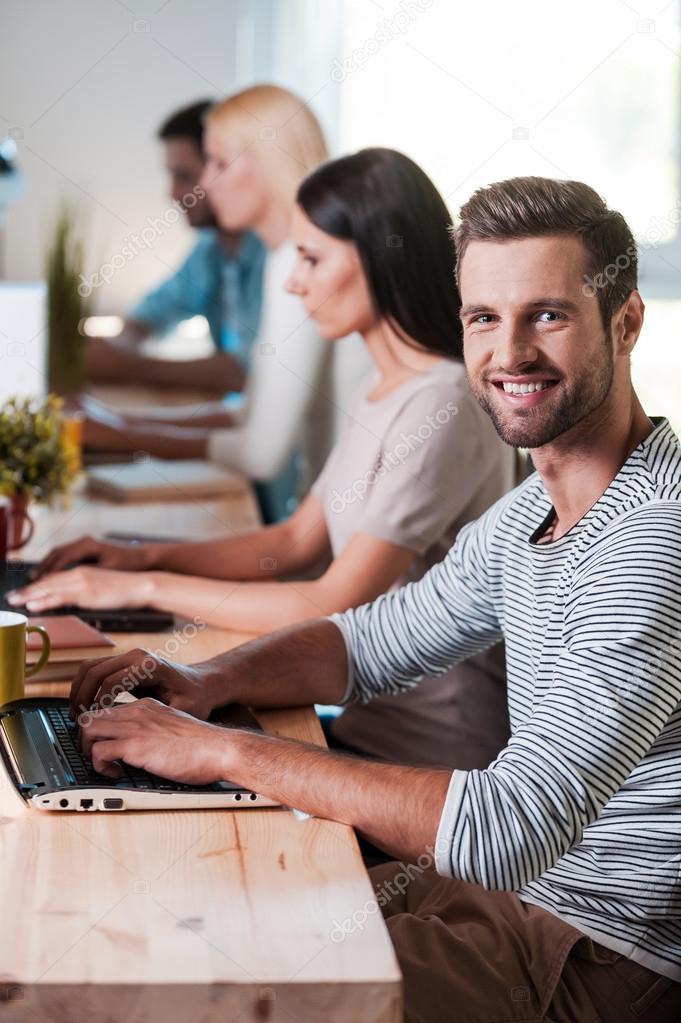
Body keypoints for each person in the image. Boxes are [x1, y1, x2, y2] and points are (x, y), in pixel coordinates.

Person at [58, 175, 681, 1021]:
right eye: (483, 319)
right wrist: (205, 679)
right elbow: (367, 640)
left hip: (595, 954)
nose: (509, 354)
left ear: (626, 321)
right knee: (178, 918)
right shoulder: (534, 505)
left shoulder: (649, 542)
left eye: (547, 314)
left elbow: (507, 826)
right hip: (518, 899)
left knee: (203, 986)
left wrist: (223, 751)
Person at [12, 149, 516, 770]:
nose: (291, 281)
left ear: (379, 258)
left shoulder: (443, 405)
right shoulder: (384, 385)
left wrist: (138, 586)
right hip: (361, 723)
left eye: (311, 258)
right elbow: (297, 539)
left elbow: (332, 598)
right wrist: (141, 554)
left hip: (426, 761)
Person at [79, 84, 371, 522]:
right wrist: (124, 425)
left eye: (219, 163)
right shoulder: (285, 256)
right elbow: (249, 409)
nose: (205, 183)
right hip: (320, 521)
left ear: (267, 164)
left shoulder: (301, 263)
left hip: (337, 540)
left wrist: (120, 432)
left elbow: (260, 454)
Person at [85, 100, 266, 394]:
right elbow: (153, 310)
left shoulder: (275, 255)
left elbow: (245, 372)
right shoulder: (210, 249)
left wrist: (129, 366)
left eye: (184, 176)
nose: (172, 193)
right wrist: (117, 348)